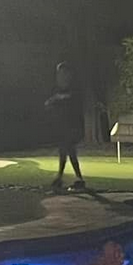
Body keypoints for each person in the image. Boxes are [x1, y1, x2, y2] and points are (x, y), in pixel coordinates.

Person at [45, 62, 85, 192]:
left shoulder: (72, 88)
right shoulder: (58, 88)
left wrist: (57, 99)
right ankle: (65, 177)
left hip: (71, 124)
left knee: (68, 150)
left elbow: (72, 99)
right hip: (61, 124)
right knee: (65, 151)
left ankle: (73, 178)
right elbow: (52, 102)